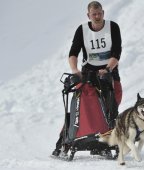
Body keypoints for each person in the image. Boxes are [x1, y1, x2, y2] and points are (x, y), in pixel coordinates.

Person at [52, 1, 122, 158]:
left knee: (112, 105)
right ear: (88, 15)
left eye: (99, 13)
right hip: (89, 74)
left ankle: (103, 143)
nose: (97, 17)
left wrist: (108, 69)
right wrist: (75, 70)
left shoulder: (113, 27)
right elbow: (73, 53)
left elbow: (116, 52)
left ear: (103, 13)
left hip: (109, 73)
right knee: (79, 107)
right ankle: (63, 143)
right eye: (93, 14)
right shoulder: (82, 30)